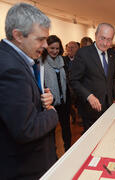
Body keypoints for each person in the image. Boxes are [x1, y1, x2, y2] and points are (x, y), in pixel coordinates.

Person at [0, 3, 58, 179]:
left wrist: (44, 100)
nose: (46, 45)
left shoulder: (18, 60)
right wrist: (52, 113)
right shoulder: (10, 68)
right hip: (24, 168)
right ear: (18, 35)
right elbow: (26, 128)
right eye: (40, 39)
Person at [70, 23, 115, 132]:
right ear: (95, 35)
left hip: (108, 106)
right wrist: (88, 96)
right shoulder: (83, 53)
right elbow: (74, 80)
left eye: (109, 39)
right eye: (102, 38)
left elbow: (114, 79)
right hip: (90, 109)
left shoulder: (113, 54)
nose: (105, 43)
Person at [40, 35, 71, 151]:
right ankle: (53, 155)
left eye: (57, 48)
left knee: (66, 129)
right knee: (51, 132)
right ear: (46, 47)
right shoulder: (41, 62)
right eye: (52, 48)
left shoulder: (63, 61)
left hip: (64, 102)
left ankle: (68, 149)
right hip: (50, 104)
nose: (55, 51)